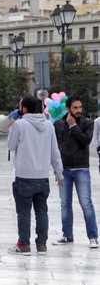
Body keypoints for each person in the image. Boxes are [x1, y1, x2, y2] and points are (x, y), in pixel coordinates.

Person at [7, 95, 63, 255]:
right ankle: (42, 244)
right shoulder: (48, 126)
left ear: (24, 108)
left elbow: (11, 145)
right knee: (42, 211)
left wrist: (11, 127)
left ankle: (24, 245)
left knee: (24, 212)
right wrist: (59, 174)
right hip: (42, 177)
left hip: (24, 176)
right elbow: (55, 152)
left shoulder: (20, 124)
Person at [52, 96, 99, 248]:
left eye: (80, 107)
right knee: (65, 204)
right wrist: (57, 169)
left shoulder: (87, 123)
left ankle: (93, 237)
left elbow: (86, 141)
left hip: (81, 169)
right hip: (64, 170)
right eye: (75, 108)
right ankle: (67, 235)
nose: (78, 111)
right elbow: (56, 146)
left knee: (86, 203)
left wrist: (74, 126)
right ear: (68, 109)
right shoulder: (58, 124)